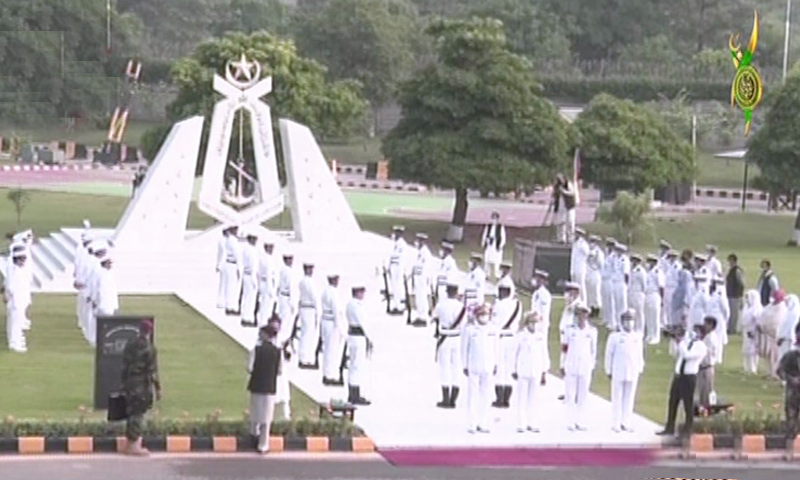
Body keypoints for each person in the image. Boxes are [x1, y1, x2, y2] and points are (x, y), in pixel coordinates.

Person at [657, 324, 707, 437]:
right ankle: (669, 427)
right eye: (694, 330)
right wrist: (674, 340)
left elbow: (687, 356)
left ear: (702, 334)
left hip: (689, 378)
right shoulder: (687, 343)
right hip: (678, 376)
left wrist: (680, 343)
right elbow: (676, 353)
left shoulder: (701, 347)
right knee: (672, 402)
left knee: (687, 404)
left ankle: (688, 429)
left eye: (697, 331)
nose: (694, 333)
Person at [120, 319, 161, 456]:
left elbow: (124, 365)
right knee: (138, 414)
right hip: (141, 383)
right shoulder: (149, 349)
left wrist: (123, 383)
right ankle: (133, 445)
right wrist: (158, 388)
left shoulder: (130, 345)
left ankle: (130, 443)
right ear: (149, 331)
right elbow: (152, 371)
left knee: (131, 412)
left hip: (129, 382)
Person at [605, 309, 644, 432]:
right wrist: (608, 370)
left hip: (633, 370)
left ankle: (626, 422)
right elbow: (609, 354)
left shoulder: (637, 336)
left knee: (629, 397)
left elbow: (640, 354)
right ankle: (615, 423)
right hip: (618, 370)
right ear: (622, 322)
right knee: (617, 397)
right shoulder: (615, 336)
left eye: (631, 320)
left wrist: (640, 367)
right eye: (627, 320)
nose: (629, 323)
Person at [462, 304, 498, 433]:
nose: (484, 317)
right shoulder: (470, 330)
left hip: (488, 366)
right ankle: (472, 423)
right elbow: (464, 348)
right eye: (481, 314)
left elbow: (496, 347)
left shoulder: (493, 329)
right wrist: (464, 365)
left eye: (486, 314)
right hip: (473, 365)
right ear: (476, 316)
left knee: (486, 395)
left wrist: (496, 364)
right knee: (473, 396)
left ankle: (483, 422)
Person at [512, 312, 550, 433]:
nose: (534, 324)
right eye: (532, 322)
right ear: (527, 322)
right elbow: (514, 353)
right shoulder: (521, 335)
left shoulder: (540, 336)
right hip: (523, 368)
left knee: (533, 397)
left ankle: (532, 421)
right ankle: (521, 422)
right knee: (522, 397)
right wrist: (514, 369)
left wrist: (545, 369)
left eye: (536, 322)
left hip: (536, 369)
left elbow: (544, 353)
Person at [247, 325, 282, 454]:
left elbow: (250, 368)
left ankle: (253, 435)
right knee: (266, 417)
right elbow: (280, 371)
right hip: (270, 386)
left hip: (256, 385)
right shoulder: (278, 352)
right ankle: (263, 444)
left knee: (255, 413)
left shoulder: (256, 350)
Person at [562, 303, 596, 431]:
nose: (581, 316)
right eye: (579, 313)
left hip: (585, 366)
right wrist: (563, 364)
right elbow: (564, 348)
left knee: (583, 395)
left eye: (583, 313)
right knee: (570, 395)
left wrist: (591, 366)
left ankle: (580, 420)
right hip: (571, 365)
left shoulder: (592, 331)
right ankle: (570, 421)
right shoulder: (570, 329)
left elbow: (593, 350)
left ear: (587, 315)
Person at [434, 282, 466, 408]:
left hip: (445, 337)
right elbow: (463, 324)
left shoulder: (441, 305)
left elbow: (434, 316)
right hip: (457, 338)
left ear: (446, 292)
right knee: (455, 368)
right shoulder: (461, 306)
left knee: (445, 369)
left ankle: (445, 398)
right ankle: (454, 399)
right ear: (456, 292)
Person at [491, 284, 522, 408]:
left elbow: (494, 322)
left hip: (502, 337)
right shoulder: (518, 305)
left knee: (500, 368)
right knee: (509, 368)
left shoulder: (498, 305)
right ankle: (507, 399)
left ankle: (499, 399)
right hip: (513, 337)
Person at [346, 284, 373, 405]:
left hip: (352, 336)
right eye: (362, 292)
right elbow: (364, 323)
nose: (363, 294)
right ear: (357, 293)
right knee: (357, 366)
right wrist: (370, 338)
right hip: (359, 337)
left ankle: (352, 392)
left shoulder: (349, 304)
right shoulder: (357, 306)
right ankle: (355, 395)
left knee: (353, 366)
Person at [4, 244, 31, 353]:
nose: (23, 261)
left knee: (17, 322)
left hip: (21, 300)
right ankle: (14, 343)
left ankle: (17, 340)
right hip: (16, 301)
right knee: (15, 322)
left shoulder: (20, 270)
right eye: (21, 259)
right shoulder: (13, 270)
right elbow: (11, 287)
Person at [776, 323, 800, 442]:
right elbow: (780, 371)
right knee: (791, 419)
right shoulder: (791, 355)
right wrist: (792, 379)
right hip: (793, 392)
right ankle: (790, 444)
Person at [321, 274, 346, 386]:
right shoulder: (334, 293)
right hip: (332, 323)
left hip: (325, 321)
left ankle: (326, 374)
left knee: (327, 350)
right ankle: (331, 375)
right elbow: (336, 312)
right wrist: (341, 329)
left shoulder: (325, 291)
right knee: (332, 350)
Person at [297, 263, 320, 369]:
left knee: (304, 333)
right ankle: (305, 359)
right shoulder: (309, 282)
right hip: (309, 309)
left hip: (304, 308)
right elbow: (314, 297)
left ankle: (303, 357)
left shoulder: (302, 281)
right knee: (308, 334)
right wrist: (318, 311)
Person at [760, 289, 787, 378]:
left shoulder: (781, 308)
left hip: (776, 335)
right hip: (767, 334)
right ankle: (770, 371)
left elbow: (777, 321)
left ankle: (775, 373)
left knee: (775, 355)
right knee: (768, 354)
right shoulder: (771, 305)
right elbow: (764, 314)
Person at [696, 317, 720, 411]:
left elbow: (706, 353)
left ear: (711, 325)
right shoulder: (707, 336)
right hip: (703, 367)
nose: (704, 326)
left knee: (706, 390)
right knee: (702, 390)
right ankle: (703, 408)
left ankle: (707, 409)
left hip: (707, 367)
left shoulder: (711, 338)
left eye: (706, 324)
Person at [411, 233, 434, 327]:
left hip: (422, 278)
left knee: (422, 297)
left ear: (423, 242)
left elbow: (426, 268)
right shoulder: (419, 252)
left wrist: (424, 278)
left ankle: (423, 317)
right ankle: (419, 315)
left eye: (420, 241)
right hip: (418, 278)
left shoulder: (425, 253)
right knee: (418, 297)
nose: (417, 242)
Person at [385, 226, 409, 315]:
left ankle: (398, 306)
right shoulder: (395, 244)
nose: (395, 234)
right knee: (394, 286)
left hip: (398, 267)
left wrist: (400, 269)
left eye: (397, 233)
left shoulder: (402, 245)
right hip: (393, 267)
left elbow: (401, 259)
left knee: (397, 286)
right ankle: (396, 304)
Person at [240, 231, 260, 327]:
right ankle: (248, 318)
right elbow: (253, 267)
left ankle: (245, 316)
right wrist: (255, 281)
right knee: (250, 298)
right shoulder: (251, 250)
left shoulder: (245, 249)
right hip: (250, 276)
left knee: (246, 297)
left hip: (245, 275)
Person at [644, 254, 664, 345]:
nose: (649, 263)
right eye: (649, 261)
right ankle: (649, 334)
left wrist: (662, 299)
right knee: (648, 316)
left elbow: (661, 287)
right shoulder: (647, 271)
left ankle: (656, 337)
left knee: (655, 316)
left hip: (655, 294)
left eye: (651, 261)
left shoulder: (658, 272)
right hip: (647, 294)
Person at [257, 238, 278, 326]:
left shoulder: (262, 257)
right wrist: (271, 290)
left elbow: (258, 273)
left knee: (264, 305)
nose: (272, 249)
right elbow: (269, 275)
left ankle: (263, 322)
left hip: (262, 282)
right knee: (267, 305)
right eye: (270, 247)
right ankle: (264, 323)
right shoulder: (268, 259)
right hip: (267, 284)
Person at [741, 289, 763, 374]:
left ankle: (753, 368)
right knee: (746, 349)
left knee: (753, 350)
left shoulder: (757, 308)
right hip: (746, 330)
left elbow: (758, 321)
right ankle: (746, 367)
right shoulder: (747, 307)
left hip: (753, 331)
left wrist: (754, 331)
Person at [222, 226, 242, 315]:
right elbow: (237, 256)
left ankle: (230, 306)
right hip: (232, 264)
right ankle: (230, 307)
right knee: (231, 287)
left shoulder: (229, 239)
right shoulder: (233, 241)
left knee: (230, 286)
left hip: (229, 264)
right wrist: (239, 268)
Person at [551, 173, 576, 243]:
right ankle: (561, 238)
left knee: (570, 222)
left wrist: (563, 191)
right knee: (560, 223)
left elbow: (572, 193)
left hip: (569, 207)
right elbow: (554, 195)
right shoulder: (557, 186)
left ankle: (571, 238)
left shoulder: (568, 184)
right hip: (561, 207)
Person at [481, 211, 506, 279]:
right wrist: (484, 243)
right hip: (489, 244)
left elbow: (503, 237)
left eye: (495, 218)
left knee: (497, 262)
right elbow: (484, 235)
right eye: (493, 218)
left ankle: (497, 275)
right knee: (487, 260)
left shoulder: (500, 227)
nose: (494, 220)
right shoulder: (488, 226)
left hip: (496, 245)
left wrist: (500, 246)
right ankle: (486, 274)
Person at [725, 253, 745, 335]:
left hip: (735, 295)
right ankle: (730, 327)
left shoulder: (737, 271)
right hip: (730, 294)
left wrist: (740, 295)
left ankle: (733, 329)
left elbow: (741, 283)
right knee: (730, 312)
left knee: (734, 313)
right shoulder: (731, 270)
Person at [585, 235, 604, 318]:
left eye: (593, 241)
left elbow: (601, 265)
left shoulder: (599, 253)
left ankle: (596, 309)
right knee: (588, 292)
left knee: (595, 292)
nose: (591, 243)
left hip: (595, 273)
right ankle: (589, 308)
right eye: (591, 241)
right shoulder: (587, 250)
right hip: (587, 273)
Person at [778, 294, 800, 364]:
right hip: (784, 338)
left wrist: (783, 337)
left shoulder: (795, 313)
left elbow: (792, 328)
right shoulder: (788, 312)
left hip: (789, 339)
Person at [612, 243, 630, 327]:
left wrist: (626, 285)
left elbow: (626, 274)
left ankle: (623, 323)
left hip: (621, 283)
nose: (618, 252)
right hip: (615, 282)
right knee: (615, 303)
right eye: (617, 250)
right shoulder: (615, 258)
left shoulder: (625, 260)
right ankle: (616, 323)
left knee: (622, 305)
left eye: (619, 250)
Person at [600, 238, 617, 328]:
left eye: (610, 245)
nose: (608, 247)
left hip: (610, 280)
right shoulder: (605, 254)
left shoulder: (614, 257)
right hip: (604, 279)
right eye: (608, 245)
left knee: (611, 301)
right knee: (605, 300)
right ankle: (605, 318)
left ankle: (612, 321)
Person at [627, 254, 646, 333]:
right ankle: (632, 328)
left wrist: (641, 292)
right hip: (630, 292)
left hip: (638, 293)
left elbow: (644, 284)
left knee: (639, 312)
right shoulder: (629, 269)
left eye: (636, 260)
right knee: (631, 311)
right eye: (633, 260)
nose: (634, 262)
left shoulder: (641, 271)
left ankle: (640, 329)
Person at [570, 228, 590, 303]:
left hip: (580, 268)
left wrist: (582, 246)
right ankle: (575, 301)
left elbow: (587, 253)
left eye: (577, 234)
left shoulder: (583, 244)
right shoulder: (574, 243)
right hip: (573, 268)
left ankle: (583, 302)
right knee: (573, 286)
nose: (575, 235)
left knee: (581, 285)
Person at [663, 249, 680, 328]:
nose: (672, 258)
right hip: (667, 287)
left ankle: (674, 323)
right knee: (666, 306)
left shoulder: (678, 265)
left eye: (673, 257)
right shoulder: (666, 264)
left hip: (674, 287)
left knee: (673, 306)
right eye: (670, 256)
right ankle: (667, 323)